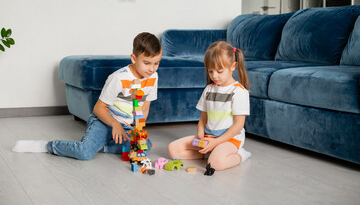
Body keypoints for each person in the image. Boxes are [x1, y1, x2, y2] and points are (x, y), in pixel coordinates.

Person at [12, 32, 162, 160]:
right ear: (134, 59)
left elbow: (145, 106)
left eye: (156, 63)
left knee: (145, 147)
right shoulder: (119, 78)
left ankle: (99, 146)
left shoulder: (153, 77)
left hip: (126, 126)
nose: (152, 69)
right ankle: (47, 145)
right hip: (104, 120)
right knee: (84, 153)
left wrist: (138, 129)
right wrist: (115, 124)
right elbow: (98, 109)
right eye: (147, 63)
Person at [168, 41, 251, 171]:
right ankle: (208, 153)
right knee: (173, 149)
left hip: (229, 140)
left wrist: (217, 143)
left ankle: (240, 155)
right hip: (208, 138)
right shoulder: (209, 89)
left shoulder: (239, 92)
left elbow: (238, 125)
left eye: (219, 71)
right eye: (210, 71)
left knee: (214, 164)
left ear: (233, 66)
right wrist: (200, 134)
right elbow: (203, 118)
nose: (214, 76)